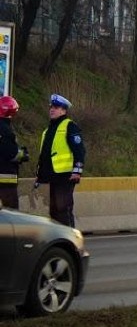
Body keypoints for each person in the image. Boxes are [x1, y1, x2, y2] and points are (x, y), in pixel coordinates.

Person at [35, 94, 85, 227]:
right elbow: (44, 154)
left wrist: (77, 171)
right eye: (51, 107)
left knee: (63, 209)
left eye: (56, 107)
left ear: (63, 110)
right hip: (53, 175)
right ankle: (58, 240)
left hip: (66, 175)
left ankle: (70, 240)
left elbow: (79, 150)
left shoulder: (69, 126)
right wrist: (39, 174)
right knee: (54, 210)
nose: (52, 109)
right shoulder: (48, 130)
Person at [0, 95, 29, 208]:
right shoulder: (5, 130)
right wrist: (23, 154)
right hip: (6, 178)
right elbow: (11, 153)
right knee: (11, 212)